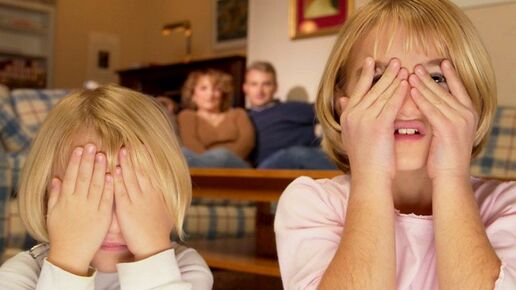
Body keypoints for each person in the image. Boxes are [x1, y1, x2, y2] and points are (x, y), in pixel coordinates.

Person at [274, 0, 516, 289]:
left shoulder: (505, 207)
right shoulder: (312, 203)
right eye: (380, 80)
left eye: (436, 79)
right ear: (341, 103)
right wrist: (371, 177)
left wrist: (451, 176)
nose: (407, 104)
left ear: (473, 100)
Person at [0, 85, 213, 289]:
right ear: (45, 198)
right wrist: (68, 261)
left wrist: (153, 254)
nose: (111, 225)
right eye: (89, 196)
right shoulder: (20, 275)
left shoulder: (185, 268)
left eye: (132, 195)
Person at [244, 61, 336, 169]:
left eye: (266, 84)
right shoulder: (244, 117)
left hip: (312, 154)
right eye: (254, 84)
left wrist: (321, 130)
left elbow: (330, 111)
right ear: (245, 88)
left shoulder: (290, 108)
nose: (260, 90)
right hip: (266, 167)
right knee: (295, 154)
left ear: (275, 87)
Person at [178, 69, 254, 168]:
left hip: (237, 166)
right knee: (184, 153)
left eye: (216, 89)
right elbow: (191, 146)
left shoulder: (238, 114)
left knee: (222, 154)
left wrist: (225, 158)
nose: (210, 94)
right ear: (193, 94)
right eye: (203, 88)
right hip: (202, 169)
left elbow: (247, 143)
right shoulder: (187, 116)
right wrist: (211, 162)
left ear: (223, 94)